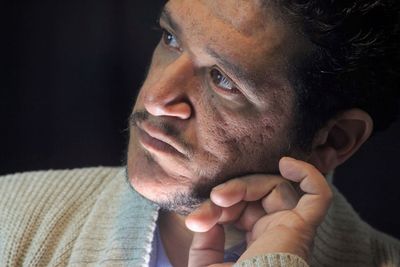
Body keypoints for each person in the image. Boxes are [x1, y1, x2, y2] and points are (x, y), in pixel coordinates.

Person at [1, 0, 399, 266]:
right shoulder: (10, 218)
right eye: (171, 39)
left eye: (223, 80)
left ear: (333, 140)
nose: (157, 98)